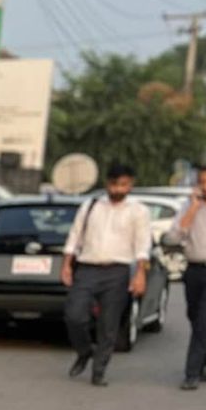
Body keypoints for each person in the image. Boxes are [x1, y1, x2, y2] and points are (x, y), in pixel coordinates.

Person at [60, 163, 150, 387]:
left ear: (131, 185)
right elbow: (74, 237)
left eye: (123, 185)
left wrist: (140, 274)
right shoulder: (90, 206)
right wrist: (66, 265)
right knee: (74, 315)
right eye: (114, 184)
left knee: (108, 325)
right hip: (87, 268)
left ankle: (99, 371)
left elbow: (142, 245)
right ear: (107, 183)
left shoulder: (138, 211)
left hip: (117, 272)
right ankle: (84, 351)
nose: (118, 189)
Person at [177, 163, 206, 391]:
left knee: (203, 320)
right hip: (194, 270)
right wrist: (193, 208)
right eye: (203, 182)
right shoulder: (189, 207)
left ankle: (192, 372)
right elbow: (175, 234)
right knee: (194, 316)